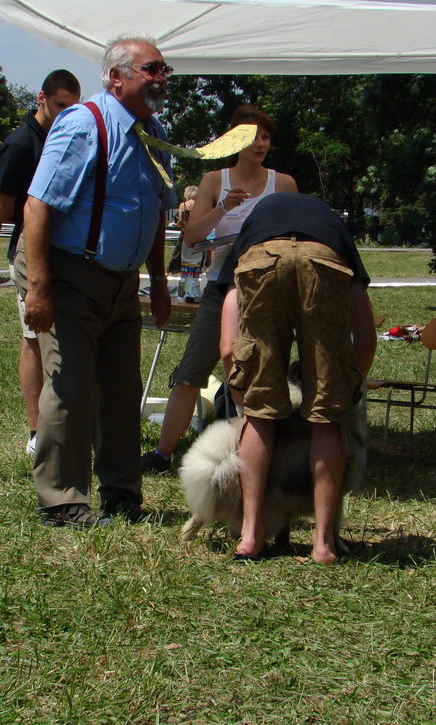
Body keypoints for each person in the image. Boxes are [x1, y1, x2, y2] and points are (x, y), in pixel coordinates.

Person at [20, 34, 175, 528]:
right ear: (116, 77)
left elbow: (151, 212)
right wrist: (40, 288)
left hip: (124, 285)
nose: (161, 78)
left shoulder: (155, 135)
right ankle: (62, 501)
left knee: (122, 390)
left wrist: (159, 282)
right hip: (72, 278)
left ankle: (122, 494)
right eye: (151, 69)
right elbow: (36, 206)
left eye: (163, 69)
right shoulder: (84, 125)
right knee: (71, 387)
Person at [218, 192, 376, 563]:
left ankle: (251, 536)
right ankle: (323, 544)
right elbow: (365, 339)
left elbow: (227, 346)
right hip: (325, 261)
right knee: (326, 414)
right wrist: (346, 389)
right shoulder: (334, 229)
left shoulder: (253, 229)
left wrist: (243, 394)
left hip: (262, 261)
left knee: (259, 412)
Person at [140, 105, 297, 475]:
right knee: (192, 370)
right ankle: (162, 455)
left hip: (268, 289)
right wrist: (223, 207)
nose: (260, 143)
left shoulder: (284, 184)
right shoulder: (214, 180)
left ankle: (265, 450)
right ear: (233, 140)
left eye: (265, 136)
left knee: (264, 371)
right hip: (220, 286)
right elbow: (193, 238)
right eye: (251, 136)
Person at [0, 69, 81, 456]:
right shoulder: (20, 144)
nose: (66, 114)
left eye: (73, 108)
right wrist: (38, 215)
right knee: (33, 339)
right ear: (41, 98)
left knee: (56, 340)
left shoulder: (65, 138)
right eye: (61, 105)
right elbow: (0, 209)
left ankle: (59, 421)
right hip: (29, 250)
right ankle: (35, 430)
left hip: (63, 250)